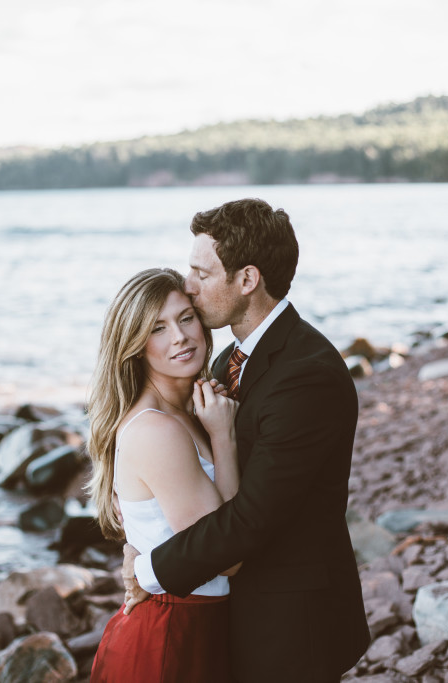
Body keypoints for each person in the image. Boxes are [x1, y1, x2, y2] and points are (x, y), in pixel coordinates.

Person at [124, 198, 371, 683]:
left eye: (201, 273)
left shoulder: (306, 375)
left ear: (247, 280)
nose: (188, 288)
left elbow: (251, 518)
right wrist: (138, 535)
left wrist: (148, 570)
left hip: (290, 621)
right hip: (235, 611)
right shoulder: (226, 364)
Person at [86, 267, 241, 683]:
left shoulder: (188, 412)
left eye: (186, 317)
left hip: (196, 622)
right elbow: (227, 558)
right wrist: (224, 438)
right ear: (135, 346)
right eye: (158, 328)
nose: (180, 337)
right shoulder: (157, 429)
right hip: (169, 634)